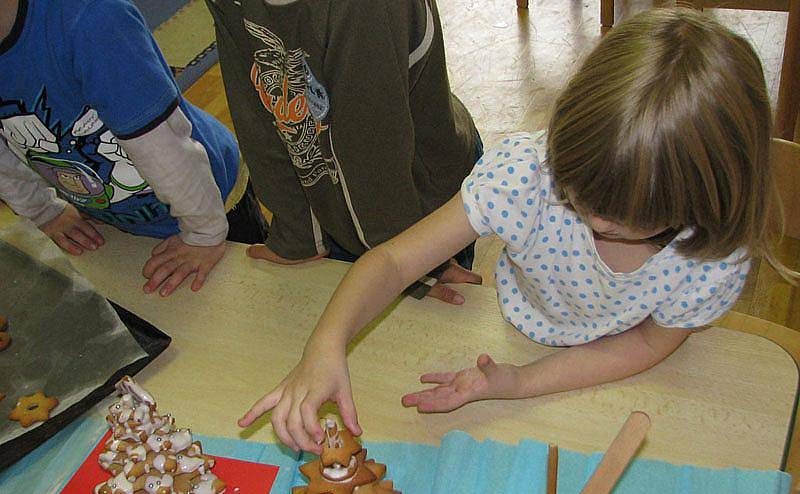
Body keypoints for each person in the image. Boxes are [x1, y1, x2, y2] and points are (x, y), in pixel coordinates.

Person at [238, 7, 799, 452]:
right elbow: (390, 262)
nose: (594, 220)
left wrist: (521, 384)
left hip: (601, 379)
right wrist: (325, 345)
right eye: (578, 193)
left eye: (623, 217)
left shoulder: (712, 259)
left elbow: (647, 344)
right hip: (506, 324)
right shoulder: (528, 175)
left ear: (705, 200)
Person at [204, 0, 483, 304]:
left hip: (416, 204)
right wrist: (300, 232)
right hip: (336, 204)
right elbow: (256, 111)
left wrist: (415, 267)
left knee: (418, 333)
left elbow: (374, 148)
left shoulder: (366, 9)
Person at [0, 0, 267, 297]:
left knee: (251, 296)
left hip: (208, 201)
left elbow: (163, 147)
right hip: (110, 208)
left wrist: (204, 233)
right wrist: (42, 210)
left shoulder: (92, 19)